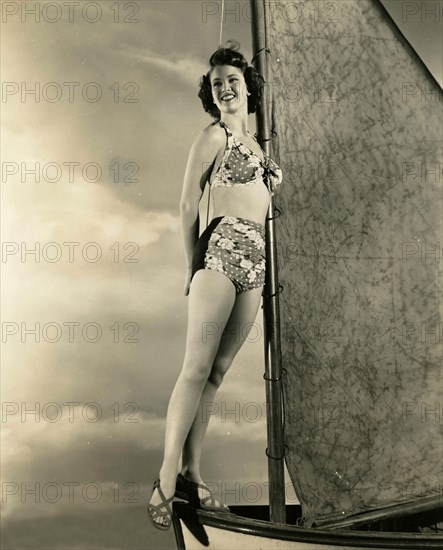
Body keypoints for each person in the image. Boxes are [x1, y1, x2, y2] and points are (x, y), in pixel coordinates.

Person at [147, 41, 283, 530]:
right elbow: (187, 205)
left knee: (218, 374)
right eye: (216, 82)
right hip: (220, 251)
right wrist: (191, 265)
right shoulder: (214, 136)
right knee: (195, 368)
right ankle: (165, 477)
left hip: (255, 264)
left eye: (231, 80)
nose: (224, 87)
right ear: (211, 93)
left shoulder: (260, 148)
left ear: (248, 86)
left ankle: (192, 474)